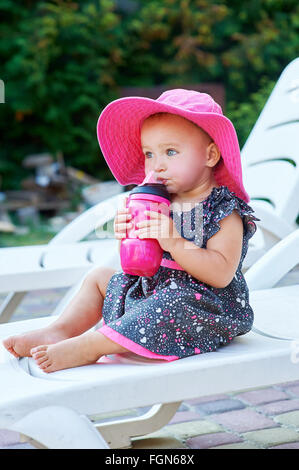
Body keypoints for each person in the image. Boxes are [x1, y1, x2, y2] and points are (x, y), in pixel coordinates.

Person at [3, 89, 259, 372]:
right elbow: (142, 266)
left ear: (210, 155)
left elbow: (221, 274)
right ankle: (61, 329)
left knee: (173, 299)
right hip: (153, 296)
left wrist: (174, 240)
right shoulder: (161, 201)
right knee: (100, 277)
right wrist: (130, 236)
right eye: (149, 153)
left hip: (203, 310)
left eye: (170, 152)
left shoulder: (224, 210)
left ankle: (93, 346)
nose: (157, 165)